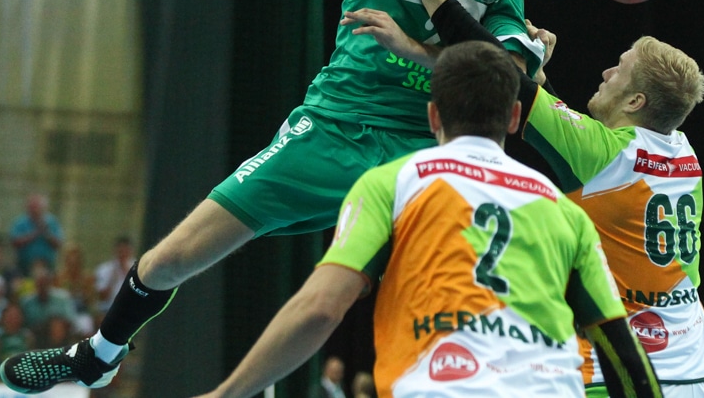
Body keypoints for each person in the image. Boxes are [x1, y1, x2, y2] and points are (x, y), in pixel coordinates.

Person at [0, 0, 582, 393]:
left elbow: (501, 70)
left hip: (421, 151)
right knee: (176, 255)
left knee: (379, 298)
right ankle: (98, 355)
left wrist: (420, 50)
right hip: (335, 125)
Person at [190, 42, 661, 398]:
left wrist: (226, 393)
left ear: (433, 115)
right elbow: (623, 356)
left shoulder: (394, 184)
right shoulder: (563, 212)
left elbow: (319, 308)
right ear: (516, 117)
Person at [341, 0, 704, 398]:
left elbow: (499, 74)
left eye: (619, 70)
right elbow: (574, 143)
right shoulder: (683, 153)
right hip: (697, 367)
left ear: (635, 102)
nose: (607, 73)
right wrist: (536, 76)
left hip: (617, 374)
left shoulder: (602, 154)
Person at [8, 193, 64, 275]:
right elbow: (14, 242)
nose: (34, 210)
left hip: (47, 266)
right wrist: (34, 234)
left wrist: (47, 233)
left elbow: (59, 243)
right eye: (32, 207)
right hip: (24, 266)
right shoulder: (20, 222)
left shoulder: (52, 222)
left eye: (36, 207)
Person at [92, 236, 135, 319]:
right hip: (107, 309)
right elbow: (102, 297)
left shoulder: (138, 269)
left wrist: (127, 273)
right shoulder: (104, 269)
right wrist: (112, 278)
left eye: (125, 252)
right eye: (120, 251)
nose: (123, 255)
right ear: (115, 251)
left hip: (130, 309)